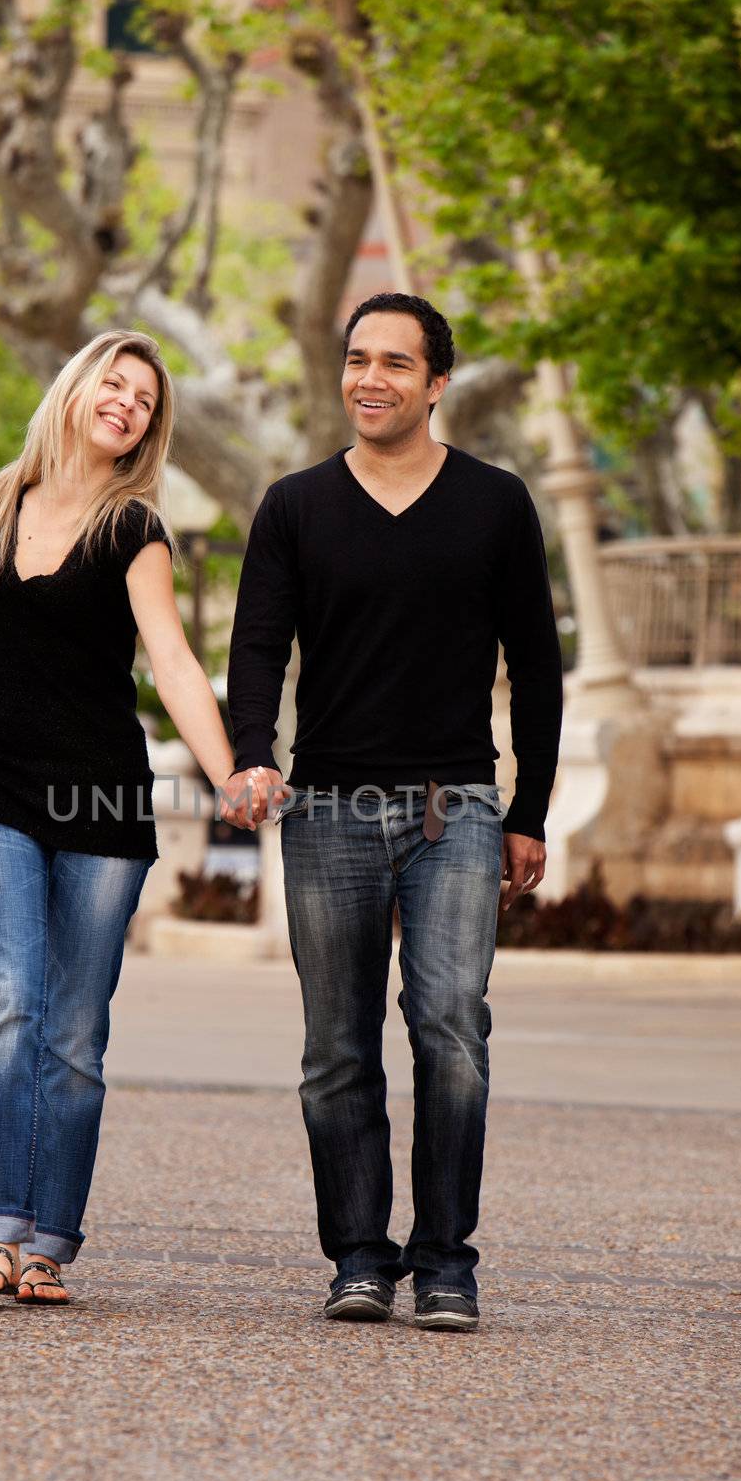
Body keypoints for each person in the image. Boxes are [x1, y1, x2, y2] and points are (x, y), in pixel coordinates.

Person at [0, 329, 256, 1306]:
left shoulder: (135, 530)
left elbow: (170, 662)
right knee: (12, 1005)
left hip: (104, 796)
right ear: (76, 389)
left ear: (148, 430)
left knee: (73, 1033)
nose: (125, 404)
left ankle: (48, 1243)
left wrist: (231, 771)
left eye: (144, 400)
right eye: (111, 384)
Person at [227, 293, 563, 1332]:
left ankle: (446, 1261)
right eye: (355, 359)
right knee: (335, 1046)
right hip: (325, 807)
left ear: (434, 384)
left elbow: (537, 666)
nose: (369, 378)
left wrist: (527, 809)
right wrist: (249, 756)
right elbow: (255, 648)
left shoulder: (495, 503)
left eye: (394, 363)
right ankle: (359, 1256)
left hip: (452, 807)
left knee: (450, 1030)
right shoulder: (292, 505)